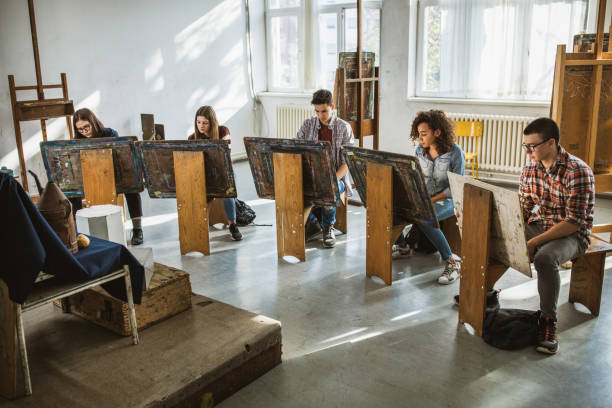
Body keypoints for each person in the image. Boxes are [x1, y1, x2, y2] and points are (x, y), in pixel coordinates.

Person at [518, 117, 594, 354]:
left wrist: (533, 242)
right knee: (495, 236)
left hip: (573, 235)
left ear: (551, 142)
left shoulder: (577, 171)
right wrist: (511, 228)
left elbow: (573, 222)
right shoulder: (530, 168)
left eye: (533, 146)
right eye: (525, 147)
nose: (528, 152)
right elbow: (524, 208)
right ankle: (486, 296)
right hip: (542, 225)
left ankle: (548, 322)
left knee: (544, 258)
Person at [394, 110, 465, 284]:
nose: (420, 138)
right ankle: (403, 247)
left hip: (449, 200)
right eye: (418, 134)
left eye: (424, 134)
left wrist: (428, 200)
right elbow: (417, 176)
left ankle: (452, 263)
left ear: (438, 132)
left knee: (426, 216)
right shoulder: (420, 150)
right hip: (424, 197)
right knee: (390, 208)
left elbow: (455, 187)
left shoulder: (456, 153)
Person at [71, 108, 145, 245]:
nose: (84, 131)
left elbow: (121, 156)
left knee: (132, 188)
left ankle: (137, 229)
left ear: (93, 122)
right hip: (91, 178)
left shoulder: (109, 133)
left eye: (86, 127)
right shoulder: (77, 140)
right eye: (80, 129)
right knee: (72, 193)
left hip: (113, 175)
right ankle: (77, 231)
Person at [296, 89, 355, 248]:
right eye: (317, 111)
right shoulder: (307, 124)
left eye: (324, 111)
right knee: (291, 189)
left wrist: (333, 179)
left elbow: (348, 161)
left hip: (336, 176)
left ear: (332, 107)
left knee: (330, 189)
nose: (320, 115)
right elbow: (296, 147)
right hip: (311, 176)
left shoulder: (344, 127)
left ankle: (328, 227)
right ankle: (314, 223)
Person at [188, 105, 242, 241]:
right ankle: (198, 225)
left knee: (227, 190)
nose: (201, 126)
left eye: (205, 123)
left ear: (212, 122)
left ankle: (232, 225)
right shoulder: (192, 138)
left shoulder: (223, 131)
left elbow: (225, 158)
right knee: (196, 191)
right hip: (205, 174)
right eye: (198, 122)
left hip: (224, 171)